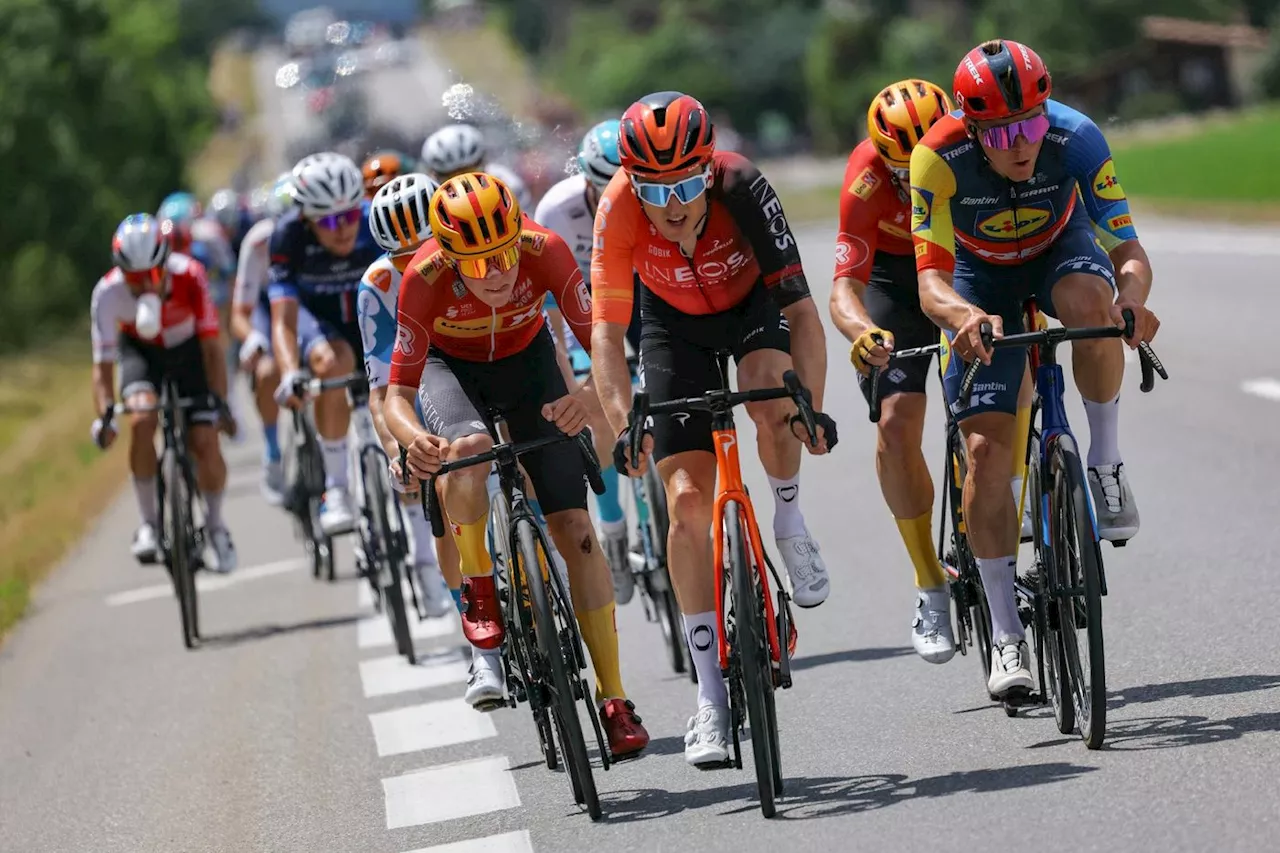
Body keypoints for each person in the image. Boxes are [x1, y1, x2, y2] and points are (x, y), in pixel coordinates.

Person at [590, 91, 835, 767]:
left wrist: (810, 405)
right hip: (672, 327)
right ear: (631, 182)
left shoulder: (744, 186)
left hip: (752, 307)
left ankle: (788, 522)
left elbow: (805, 314)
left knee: (774, 401)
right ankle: (709, 700)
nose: (672, 206)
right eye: (654, 190)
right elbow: (607, 337)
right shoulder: (617, 209)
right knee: (687, 506)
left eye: (689, 184)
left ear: (710, 170)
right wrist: (622, 425)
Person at [910, 40, 1160, 698]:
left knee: (1094, 306)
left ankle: (1104, 464)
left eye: (1033, 124)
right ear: (972, 128)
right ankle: (1004, 633)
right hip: (977, 280)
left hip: (1059, 249)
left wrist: (1132, 298)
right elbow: (929, 283)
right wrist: (963, 315)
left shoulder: (1076, 137)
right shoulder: (937, 158)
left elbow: (1126, 246)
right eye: (1005, 132)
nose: (1024, 143)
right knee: (988, 453)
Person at [385, 173, 650, 756]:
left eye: (503, 256)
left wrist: (585, 395)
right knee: (468, 449)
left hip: (528, 364)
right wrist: (411, 441)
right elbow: (397, 395)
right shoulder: (423, 277)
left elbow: (602, 343)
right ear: (451, 259)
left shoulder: (546, 250)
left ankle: (614, 698)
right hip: (452, 373)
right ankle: (480, 589)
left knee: (578, 532)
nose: (499, 274)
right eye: (478, 267)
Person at [829, 78, 1010, 665]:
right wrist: (864, 333)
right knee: (896, 423)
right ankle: (930, 581)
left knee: (1007, 376)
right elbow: (843, 291)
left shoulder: (971, 146)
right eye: (901, 170)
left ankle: (1018, 487)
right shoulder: (865, 180)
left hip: (963, 264)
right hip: (895, 282)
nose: (915, 178)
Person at [90, 214, 238, 571]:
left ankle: (216, 527)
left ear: (165, 263)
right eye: (133, 278)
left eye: (152, 276)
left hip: (188, 351)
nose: (143, 286)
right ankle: (148, 524)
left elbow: (212, 348)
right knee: (141, 420)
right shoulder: (107, 293)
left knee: (204, 440)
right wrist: (106, 413)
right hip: (141, 352)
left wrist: (220, 401)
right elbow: (103, 364)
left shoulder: (190, 274)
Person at [533, 118, 638, 603]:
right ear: (588, 184)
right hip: (579, 310)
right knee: (594, 399)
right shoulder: (556, 209)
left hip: (636, 302)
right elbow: (546, 303)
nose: (618, 196)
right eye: (605, 187)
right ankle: (613, 525)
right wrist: (566, 368)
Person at [355, 171, 458, 622]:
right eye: (403, 260)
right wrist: (398, 452)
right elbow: (382, 392)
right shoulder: (376, 285)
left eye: (427, 250)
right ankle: (436, 574)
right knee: (418, 466)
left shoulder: (471, 250)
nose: (416, 266)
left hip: (473, 356)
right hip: (415, 373)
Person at [269, 152, 383, 535]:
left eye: (350, 215)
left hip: (370, 312)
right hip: (319, 320)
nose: (343, 229)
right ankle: (335, 489)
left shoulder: (376, 221)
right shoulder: (288, 237)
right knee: (335, 363)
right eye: (329, 221)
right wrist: (288, 373)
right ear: (306, 219)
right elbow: (283, 318)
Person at [231, 173, 294, 504]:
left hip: (304, 309)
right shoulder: (257, 243)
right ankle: (272, 451)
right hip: (268, 313)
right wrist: (253, 337)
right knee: (268, 372)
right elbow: (239, 312)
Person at [420, 123, 533, 211]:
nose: (463, 183)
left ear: (483, 163)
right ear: (435, 175)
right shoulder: (425, 198)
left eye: (469, 172)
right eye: (452, 176)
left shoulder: (508, 184)